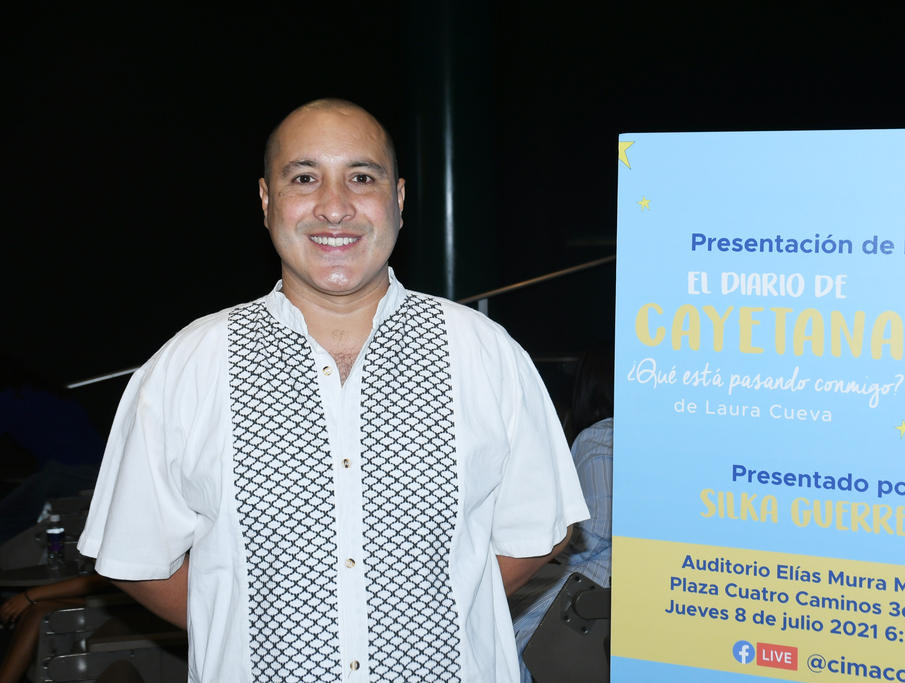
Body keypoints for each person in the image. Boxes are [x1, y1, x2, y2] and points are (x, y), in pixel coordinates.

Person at [78, 99, 589, 682]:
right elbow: (136, 554)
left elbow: (537, 528)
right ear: (266, 201)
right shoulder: (188, 366)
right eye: (304, 178)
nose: (335, 206)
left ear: (398, 199)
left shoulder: (484, 353)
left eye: (361, 178)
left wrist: (432, 618)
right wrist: (249, 630)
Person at [511, 349, 613, 682]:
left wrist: (554, 546)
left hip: (596, 580)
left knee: (512, 635)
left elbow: (595, 532)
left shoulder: (600, 437)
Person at [0, 573, 111, 683]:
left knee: (39, 612)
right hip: (103, 595)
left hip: (115, 603)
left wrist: (29, 596)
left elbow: (102, 580)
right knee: (34, 608)